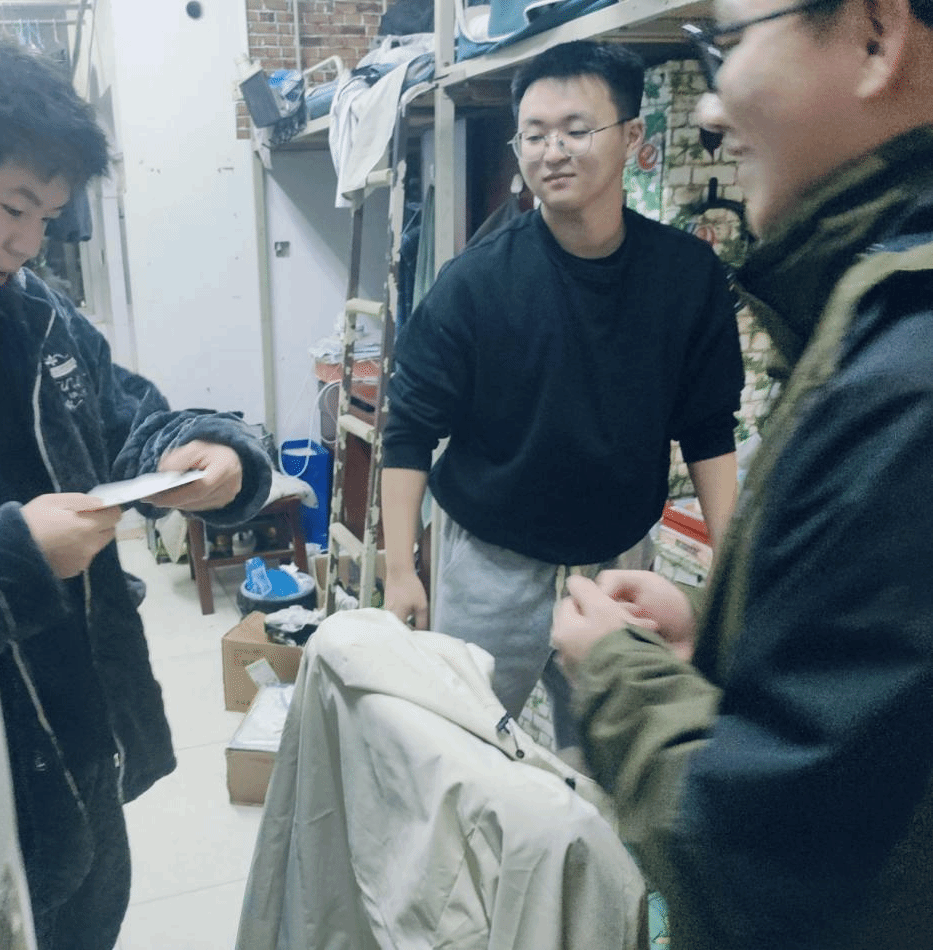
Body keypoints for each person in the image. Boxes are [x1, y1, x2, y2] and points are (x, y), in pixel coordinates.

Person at [551, 0, 933, 945]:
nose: (712, 109)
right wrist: (729, 628)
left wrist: (619, 675)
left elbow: (765, 857)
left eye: (725, 46)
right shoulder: (873, 304)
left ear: (877, 36)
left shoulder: (906, 366)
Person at [0, 25, 273, 950]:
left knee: (89, 911)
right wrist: (13, 559)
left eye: (48, 218)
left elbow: (126, 421)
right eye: (14, 208)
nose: (29, 244)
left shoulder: (37, 315)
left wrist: (207, 450)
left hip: (86, 742)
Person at [380, 40, 744, 749]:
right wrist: (401, 572)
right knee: (466, 749)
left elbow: (708, 428)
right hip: (491, 566)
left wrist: (731, 571)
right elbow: (410, 430)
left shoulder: (686, 277)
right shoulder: (475, 283)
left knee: (612, 756)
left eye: (576, 130)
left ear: (631, 137)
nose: (553, 152)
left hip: (620, 568)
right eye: (535, 135)